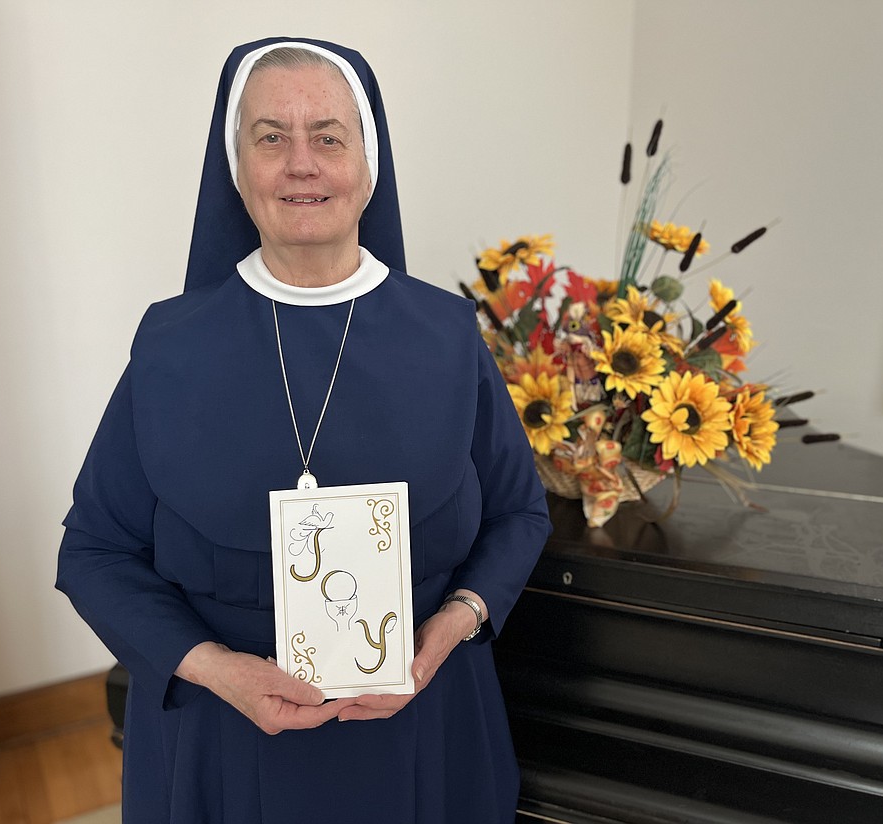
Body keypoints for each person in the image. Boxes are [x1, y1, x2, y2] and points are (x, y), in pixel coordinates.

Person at [56, 37, 550, 823]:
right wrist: (218, 669)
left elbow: (520, 512)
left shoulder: (449, 334)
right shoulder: (169, 344)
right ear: (237, 166)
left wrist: (447, 631)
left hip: (424, 723)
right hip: (225, 739)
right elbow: (92, 551)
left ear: (368, 162)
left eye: (327, 136)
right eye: (270, 138)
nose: (301, 163)